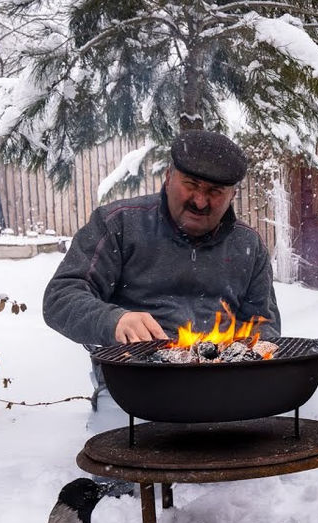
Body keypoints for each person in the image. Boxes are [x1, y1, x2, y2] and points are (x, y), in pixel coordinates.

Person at [44, 129, 281, 431]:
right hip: (132, 387)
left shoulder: (248, 245)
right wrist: (115, 320)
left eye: (215, 192)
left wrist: (236, 357)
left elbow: (265, 325)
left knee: (249, 463)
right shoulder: (118, 224)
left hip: (223, 390)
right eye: (191, 185)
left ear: (232, 195)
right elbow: (60, 297)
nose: (200, 201)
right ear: (169, 177)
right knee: (119, 462)